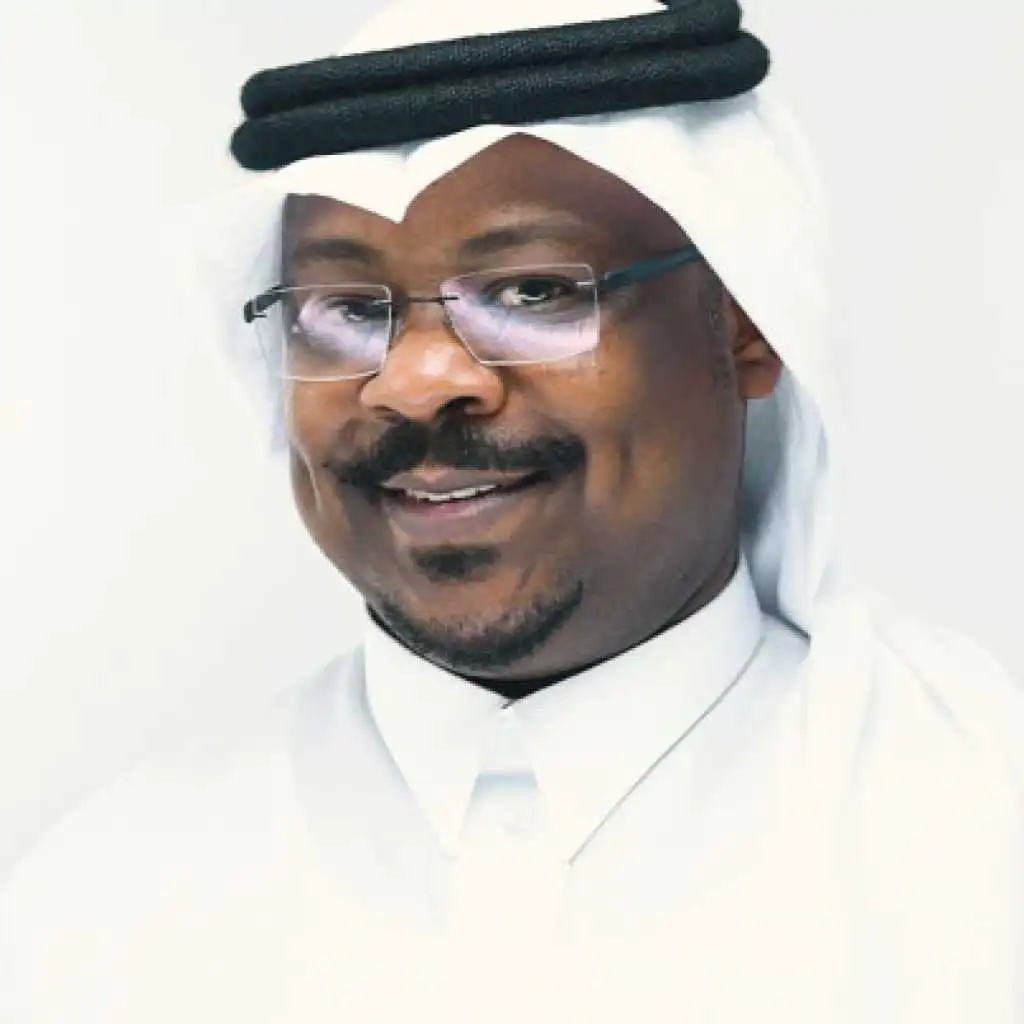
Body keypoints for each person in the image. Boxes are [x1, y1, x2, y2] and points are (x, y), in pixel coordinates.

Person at [2, 0, 1022, 1020]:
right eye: (345, 311)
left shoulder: (980, 857)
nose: (414, 384)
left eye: (534, 291)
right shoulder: (98, 909)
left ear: (746, 325)